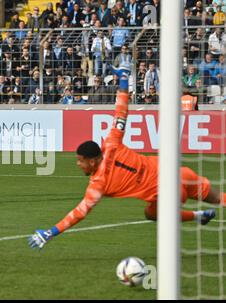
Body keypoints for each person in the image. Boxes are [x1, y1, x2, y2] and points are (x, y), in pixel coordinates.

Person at [28, 67, 224, 249]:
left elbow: (79, 213)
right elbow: (121, 113)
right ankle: (199, 215)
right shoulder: (112, 143)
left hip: (170, 196)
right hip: (180, 174)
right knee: (218, 198)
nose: (78, 164)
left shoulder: (98, 184)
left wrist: (50, 232)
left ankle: (196, 216)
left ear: (93, 160)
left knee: (151, 214)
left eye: (81, 160)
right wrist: (123, 82)